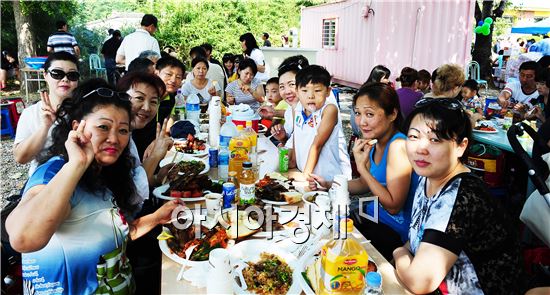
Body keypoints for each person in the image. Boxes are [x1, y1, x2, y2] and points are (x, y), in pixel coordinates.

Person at [5, 80, 181, 294]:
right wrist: (76, 164)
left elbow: (115, 235)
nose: (114, 138)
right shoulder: (55, 171)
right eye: (103, 127)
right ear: (77, 127)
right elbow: (23, 238)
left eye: (123, 130)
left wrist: (158, 217)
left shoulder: (105, 173)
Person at [393, 98, 522, 294]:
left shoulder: (463, 196)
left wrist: (397, 252)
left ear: (461, 146)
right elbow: (419, 233)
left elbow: (420, 282)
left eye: (435, 139)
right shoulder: (428, 176)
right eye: (413, 136)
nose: (421, 148)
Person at [309, 82, 418, 259]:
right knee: (319, 229)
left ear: (392, 114)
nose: (361, 122)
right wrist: (328, 184)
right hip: (371, 214)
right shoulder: (375, 143)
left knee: (336, 254)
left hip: (393, 229)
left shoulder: (398, 146)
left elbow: (393, 206)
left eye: (370, 114)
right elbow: (363, 184)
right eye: (358, 113)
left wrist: (361, 167)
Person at [116, 72, 172, 294]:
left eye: (154, 101)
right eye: (138, 98)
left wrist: (158, 176)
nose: (146, 107)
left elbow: (137, 180)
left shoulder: (129, 135)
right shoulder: (116, 138)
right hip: (125, 238)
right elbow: (131, 194)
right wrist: (156, 157)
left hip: (131, 221)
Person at [13, 52, 80, 176]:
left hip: (79, 176)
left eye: (72, 75)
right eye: (57, 74)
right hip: (42, 179)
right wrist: (45, 126)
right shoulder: (31, 113)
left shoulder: (86, 110)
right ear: (45, 75)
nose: (65, 79)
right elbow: (20, 158)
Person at [286, 65, 351, 181]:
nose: (310, 96)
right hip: (304, 172)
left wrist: (305, 176)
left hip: (326, 178)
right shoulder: (298, 108)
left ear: (328, 92)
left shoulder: (329, 110)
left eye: (317, 90)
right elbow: (297, 136)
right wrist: (293, 161)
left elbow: (317, 145)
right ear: (297, 91)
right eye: (304, 90)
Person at [351, 65, 391, 138]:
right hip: (362, 129)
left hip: (358, 128)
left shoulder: (365, 88)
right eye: (386, 78)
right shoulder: (371, 93)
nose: (388, 81)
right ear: (378, 78)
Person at [155, 56, 185, 125]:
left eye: (178, 77)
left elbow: (168, 127)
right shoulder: (146, 96)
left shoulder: (172, 99)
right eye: (169, 74)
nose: (173, 80)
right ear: (156, 73)